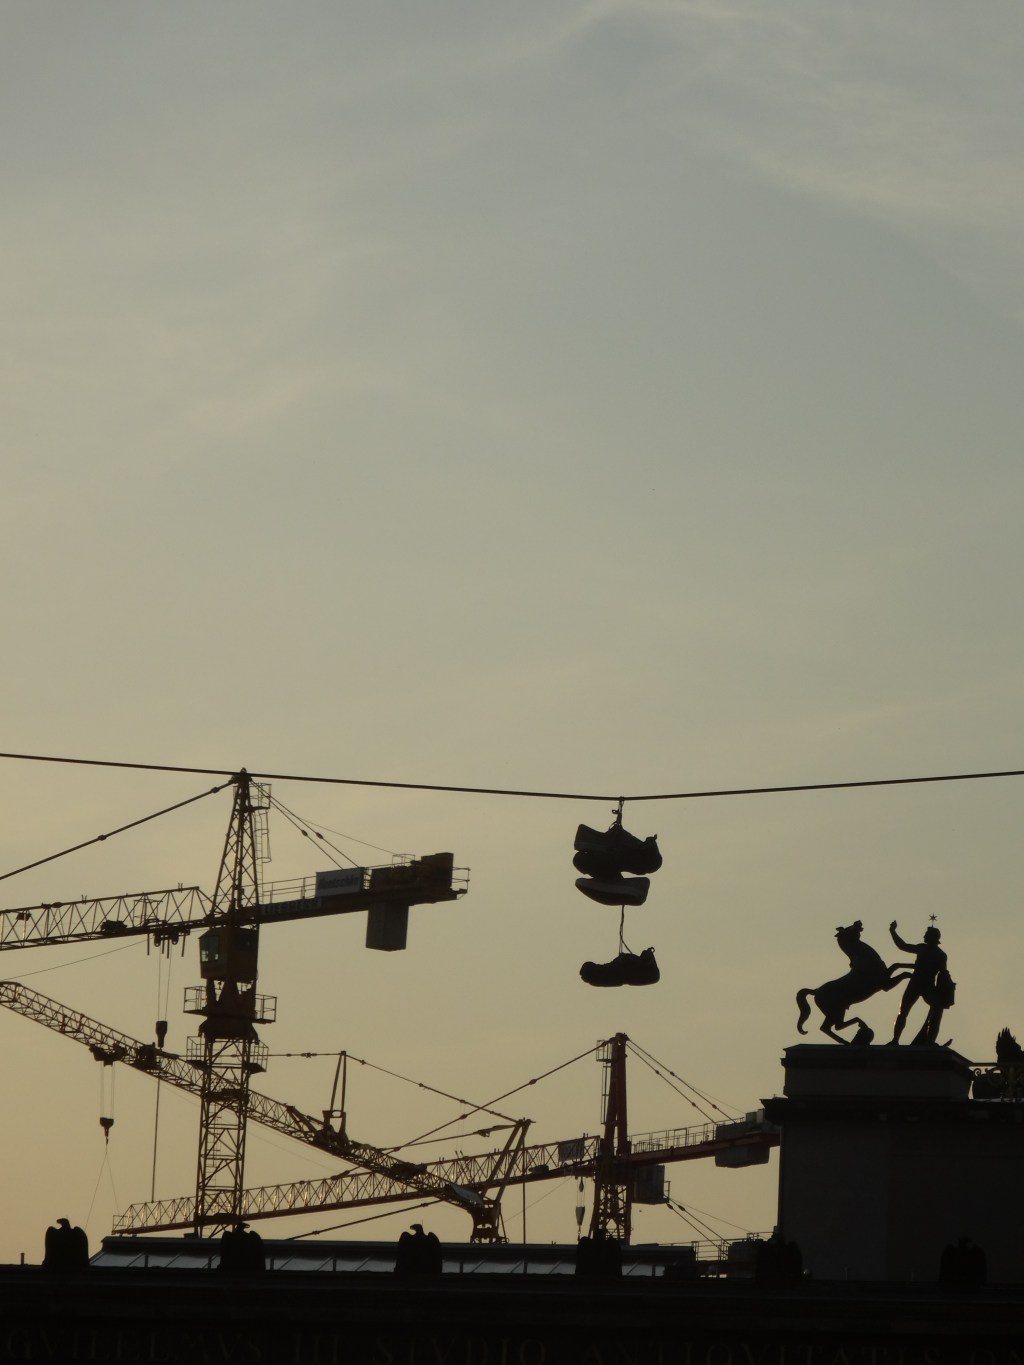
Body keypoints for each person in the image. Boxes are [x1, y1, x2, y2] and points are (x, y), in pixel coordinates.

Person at [888, 922, 953, 1045]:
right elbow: (903, 946)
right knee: (903, 1011)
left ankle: (930, 1041)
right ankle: (895, 1040)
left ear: (932, 937)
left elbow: (943, 973)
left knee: (936, 1009)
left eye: (926, 934)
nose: (924, 936)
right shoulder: (923, 948)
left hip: (926, 985)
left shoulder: (939, 954)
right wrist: (893, 931)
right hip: (916, 984)